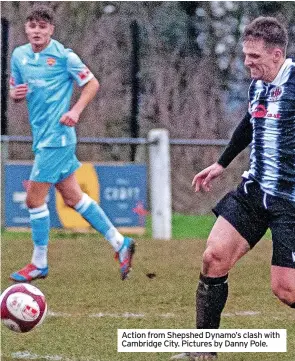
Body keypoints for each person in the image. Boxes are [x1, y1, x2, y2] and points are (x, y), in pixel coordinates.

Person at [172, 16, 295, 361]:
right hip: (254, 192)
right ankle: (203, 351)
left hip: (290, 202)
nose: (247, 62)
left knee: (285, 289)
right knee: (214, 257)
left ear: (276, 54)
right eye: (245, 55)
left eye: (254, 56)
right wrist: (221, 163)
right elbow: (249, 124)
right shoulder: (259, 85)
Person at [9, 4, 135, 282]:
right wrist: (14, 94)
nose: (37, 31)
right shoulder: (19, 56)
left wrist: (75, 111)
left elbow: (92, 84)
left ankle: (39, 263)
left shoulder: (64, 56)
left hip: (58, 138)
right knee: (73, 197)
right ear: (26, 29)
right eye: (33, 26)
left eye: (43, 26)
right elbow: (15, 88)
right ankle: (120, 243)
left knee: (33, 200)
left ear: (51, 30)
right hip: (41, 137)